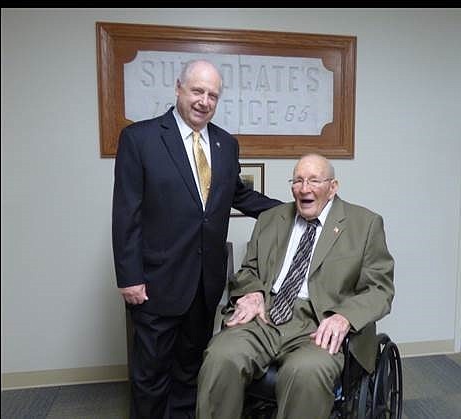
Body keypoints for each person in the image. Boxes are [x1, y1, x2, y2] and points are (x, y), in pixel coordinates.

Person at [112, 59, 281, 419]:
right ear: (178, 89)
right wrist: (129, 277)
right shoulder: (139, 139)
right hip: (155, 283)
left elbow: (238, 195)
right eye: (197, 91)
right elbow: (126, 213)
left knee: (191, 371)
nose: (205, 101)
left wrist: (293, 211)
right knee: (151, 375)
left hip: (204, 283)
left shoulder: (225, 144)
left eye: (213, 95)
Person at [196, 153, 395, 419]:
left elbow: (380, 288)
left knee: (305, 372)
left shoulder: (365, 224)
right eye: (298, 181)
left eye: (314, 181)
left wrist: (345, 317)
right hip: (266, 316)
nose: (304, 189)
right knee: (221, 355)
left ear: (333, 187)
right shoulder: (271, 218)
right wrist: (252, 292)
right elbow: (249, 271)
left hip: (319, 324)